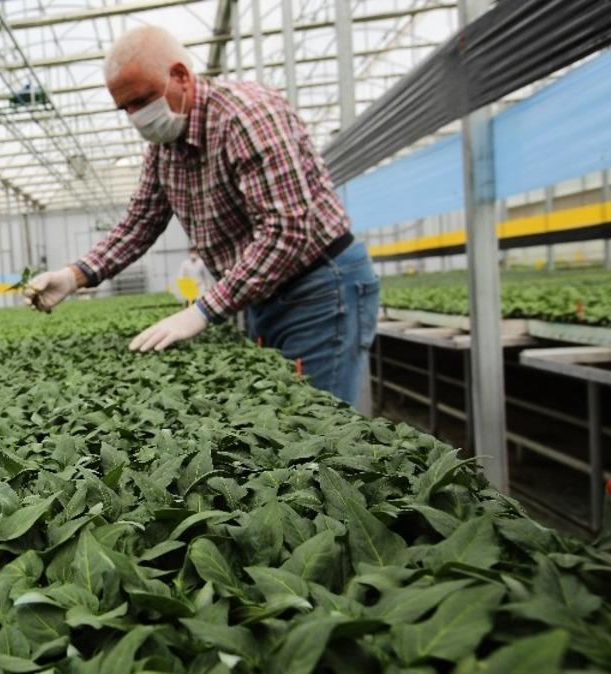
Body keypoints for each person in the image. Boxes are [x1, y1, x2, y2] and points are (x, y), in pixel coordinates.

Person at [22, 25, 379, 406]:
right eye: (125, 107)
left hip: (320, 287)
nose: (135, 116)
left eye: (142, 100)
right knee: (290, 412)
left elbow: (288, 231)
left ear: (180, 75)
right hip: (262, 293)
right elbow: (140, 222)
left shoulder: (246, 117)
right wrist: (74, 276)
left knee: (325, 423)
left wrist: (203, 310)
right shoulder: (166, 144)